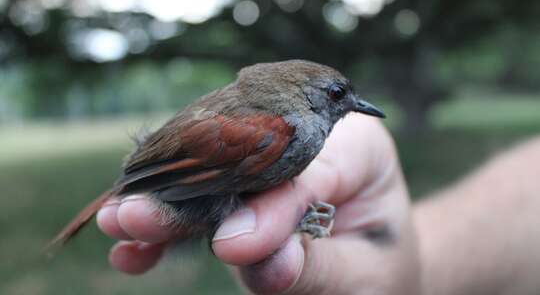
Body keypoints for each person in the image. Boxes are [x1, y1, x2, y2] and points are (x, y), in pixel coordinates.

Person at [96, 113, 540, 295]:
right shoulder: (270, 126)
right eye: (335, 96)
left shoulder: (290, 131)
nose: (350, 107)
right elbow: (201, 172)